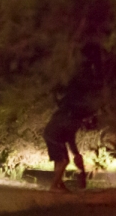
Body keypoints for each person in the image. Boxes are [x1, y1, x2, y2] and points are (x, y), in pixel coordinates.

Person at [43, 45, 104, 191]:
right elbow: (70, 139)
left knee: (59, 159)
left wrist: (77, 154)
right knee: (64, 161)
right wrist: (77, 155)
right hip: (54, 135)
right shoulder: (75, 118)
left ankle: (60, 184)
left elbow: (70, 138)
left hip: (51, 132)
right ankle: (54, 186)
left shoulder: (71, 113)